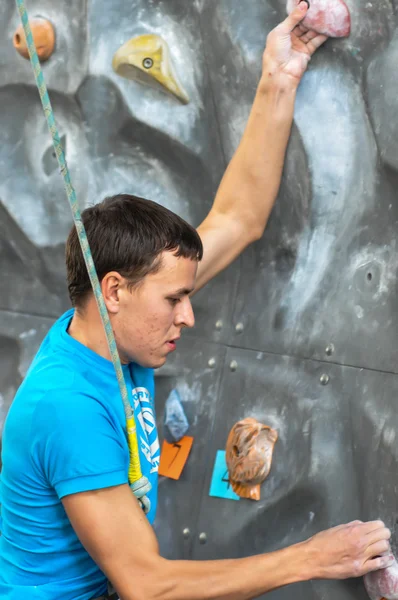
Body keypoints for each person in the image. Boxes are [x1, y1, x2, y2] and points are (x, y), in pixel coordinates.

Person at [0, 3, 393, 599]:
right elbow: (148, 586)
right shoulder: (68, 407)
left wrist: (279, 75)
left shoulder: (116, 321)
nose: (189, 313)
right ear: (114, 289)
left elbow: (238, 216)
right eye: (175, 299)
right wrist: (311, 557)